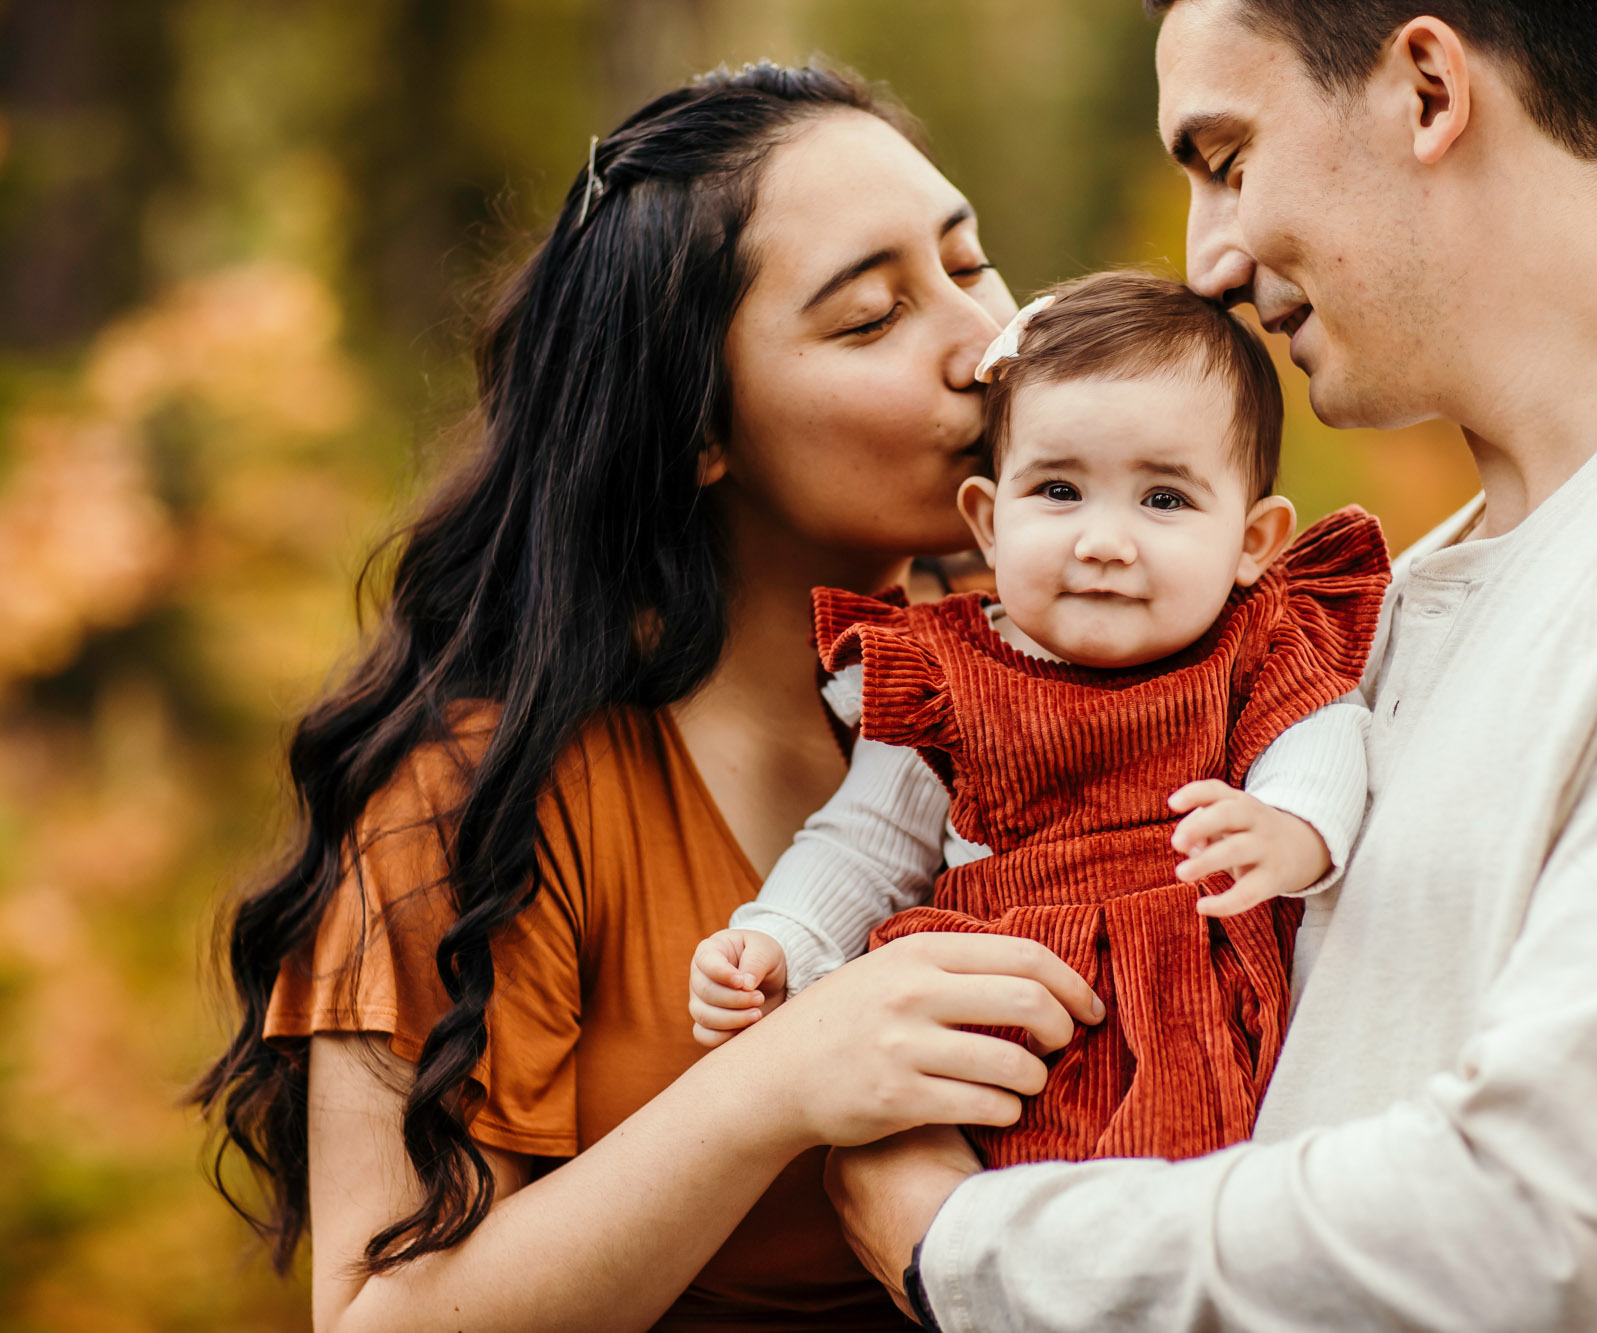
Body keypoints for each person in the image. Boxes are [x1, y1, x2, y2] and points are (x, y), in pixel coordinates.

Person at [826, 3, 1597, 1330]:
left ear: (1428, 91)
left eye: (1225, 159)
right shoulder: (1403, 592)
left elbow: (1554, 1227)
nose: (1207, 260)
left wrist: (969, 1243)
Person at [193, 63, 1108, 1332]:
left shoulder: (1062, 675)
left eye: (970, 263)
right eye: (870, 318)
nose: (986, 346)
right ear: (695, 428)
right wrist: (776, 1082)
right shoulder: (472, 798)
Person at [688, 270, 1391, 1168]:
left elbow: (1322, 731)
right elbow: (861, 845)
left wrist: (1291, 827)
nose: (1102, 539)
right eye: (1059, 490)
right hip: (1001, 1051)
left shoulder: (1256, 648)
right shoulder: (949, 675)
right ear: (987, 522)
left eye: (1164, 499)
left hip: (1202, 1026)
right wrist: (779, 938)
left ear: (1252, 541)